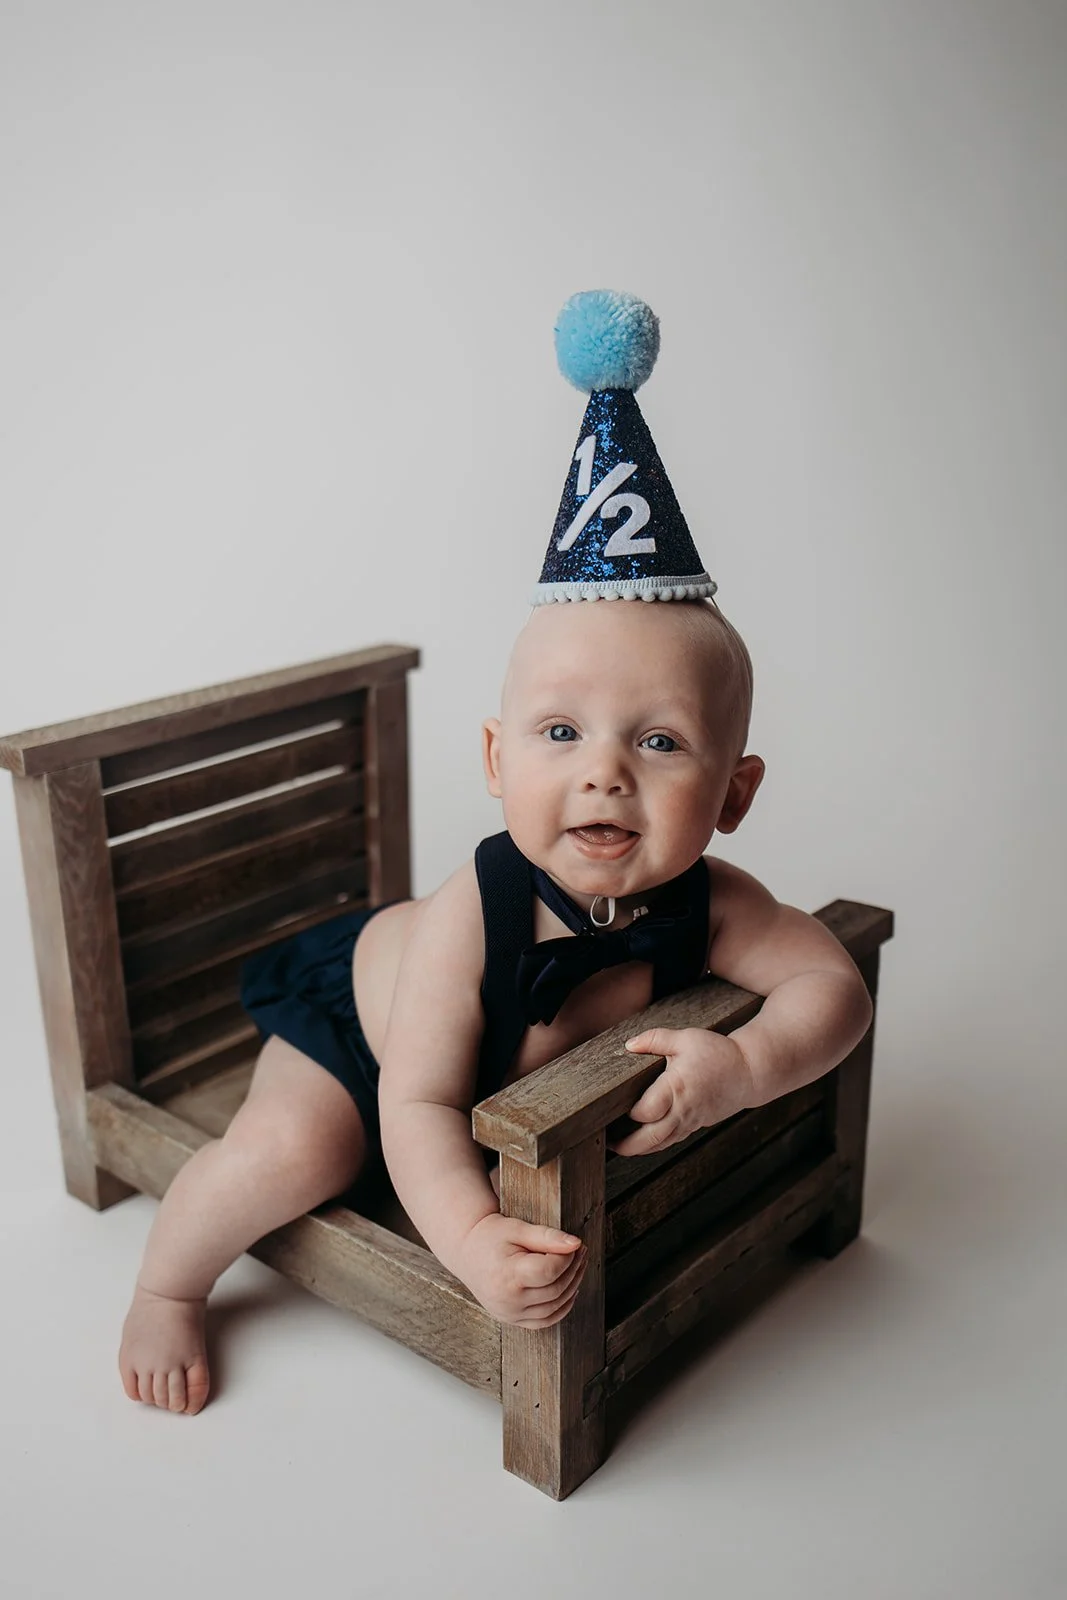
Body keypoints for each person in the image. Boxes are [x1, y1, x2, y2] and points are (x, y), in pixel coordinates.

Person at [118, 291, 873, 1414]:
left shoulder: (716, 903)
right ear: (492, 755)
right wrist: (469, 1237)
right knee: (293, 1158)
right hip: (365, 1039)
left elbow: (831, 985)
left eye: (659, 741)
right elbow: (417, 1104)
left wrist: (749, 1067)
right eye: (558, 732)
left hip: (468, 1082)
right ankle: (168, 1286)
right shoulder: (476, 911)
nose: (601, 771)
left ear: (733, 792)